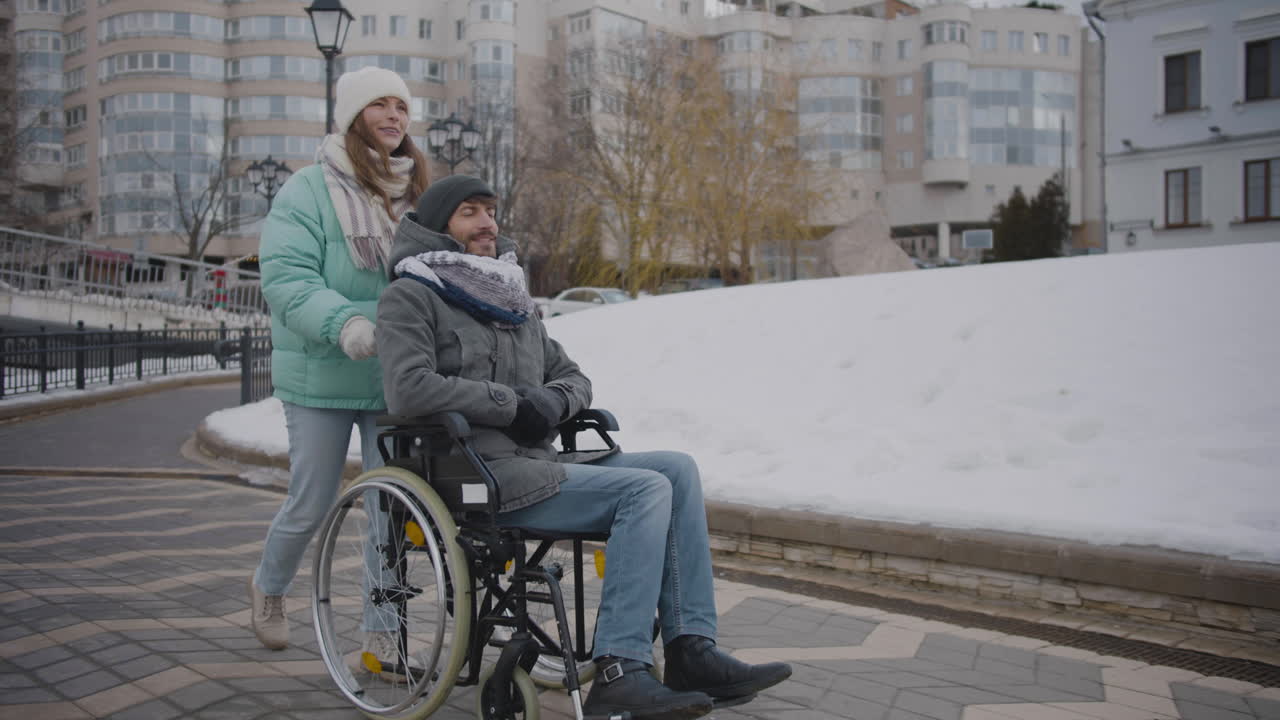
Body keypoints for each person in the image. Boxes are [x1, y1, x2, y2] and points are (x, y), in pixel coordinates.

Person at [376, 175, 792, 720]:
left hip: (539, 461)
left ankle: (691, 649)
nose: (487, 224)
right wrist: (509, 404)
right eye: (469, 213)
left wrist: (550, 404)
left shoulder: (512, 300)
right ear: (438, 229)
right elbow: (408, 389)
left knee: (677, 469)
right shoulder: (410, 295)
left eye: (490, 211)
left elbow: (573, 377)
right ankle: (620, 669)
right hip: (477, 471)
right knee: (643, 491)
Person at [248, 66, 430, 662]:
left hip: (394, 378)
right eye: (378, 105)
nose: (393, 117)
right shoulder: (307, 189)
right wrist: (344, 323)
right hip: (324, 370)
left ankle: (381, 636)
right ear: (353, 117)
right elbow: (287, 277)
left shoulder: (419, 192)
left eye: (400, 107)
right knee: (313, 497)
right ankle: (270, 589)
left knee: (391, 506)